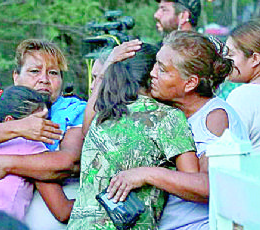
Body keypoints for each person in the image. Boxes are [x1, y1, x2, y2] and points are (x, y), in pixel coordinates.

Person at [106, 30, 250, 230]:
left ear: (190, 83)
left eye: (163, 70)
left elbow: (208, 186)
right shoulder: (169, 110)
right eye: (156, 63)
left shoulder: (215, 117)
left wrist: (146, 174)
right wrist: (108, 66)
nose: (152, 73)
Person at [0, 39, 86, 229]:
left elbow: (68, 162)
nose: (44, 79)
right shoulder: (4, 105)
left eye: (53, 73)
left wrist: (6, 163)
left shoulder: (74, 110)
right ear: (16, 77)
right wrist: (19, 128)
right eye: (34, 71)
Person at [67, 43, 200, 230]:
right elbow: (192, 183)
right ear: (152, 75)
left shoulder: (104, 115)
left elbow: (88, 120)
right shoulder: (165, 117)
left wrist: (109, 64)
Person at [0, 86, 73, 223]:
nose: (45, 126)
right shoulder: (30, 146)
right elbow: (63, 211)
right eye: (40, 120)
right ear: (10, 122)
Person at [225, 19, 260, 152]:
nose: (225, 61)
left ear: (255, 59)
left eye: (231, 55)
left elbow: (226, 154)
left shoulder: (244, 96)